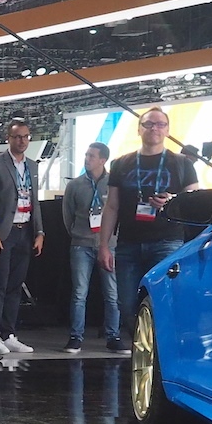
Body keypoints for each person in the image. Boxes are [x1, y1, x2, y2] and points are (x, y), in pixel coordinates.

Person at [99, 107, 200, 352]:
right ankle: (144, 351)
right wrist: (103, 245)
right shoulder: (121, 164)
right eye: (148, 124)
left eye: (160, 124)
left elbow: (195, 200)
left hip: (167, 241)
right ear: (139, 129)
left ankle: (162, 354)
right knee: (127, 304)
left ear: (167, 130)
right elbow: (112, 206)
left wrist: (171, 200)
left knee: (164, 300)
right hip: (128, 243)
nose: (154, 128)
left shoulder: (182, 164)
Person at [0, 118, 45, 355]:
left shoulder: (32, 166)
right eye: (17, 137)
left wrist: (40, 231)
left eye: (25, 136)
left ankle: (8, 333)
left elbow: (35, 201)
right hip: (3, 233)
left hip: (25, 231)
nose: (22, 141)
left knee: (15, 286)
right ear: (9, 138)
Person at [62, 142, 120, 353]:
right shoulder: (75, 185)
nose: (87, 159)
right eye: (86, 155)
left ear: (103, 160)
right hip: (81, 244)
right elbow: (67, 215)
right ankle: (76, 337)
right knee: (79, 292)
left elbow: (118, 213)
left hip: (109, 245)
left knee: (112, 293)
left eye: (91, 156)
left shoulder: (114, 184)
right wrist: (77, 234)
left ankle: (113, 336)